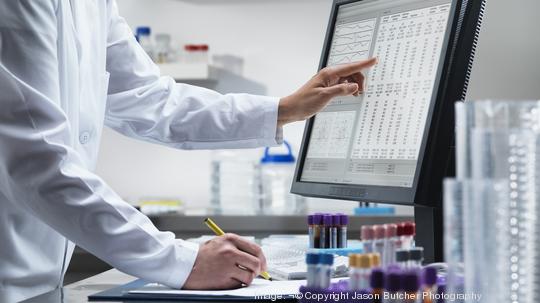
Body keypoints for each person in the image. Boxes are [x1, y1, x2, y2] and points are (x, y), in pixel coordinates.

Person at [0, 1, 377, 301]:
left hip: (39, 278)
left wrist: (285, 109)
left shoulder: (95, 6)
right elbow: (37, 159)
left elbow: (152, 100)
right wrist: (183, 262)